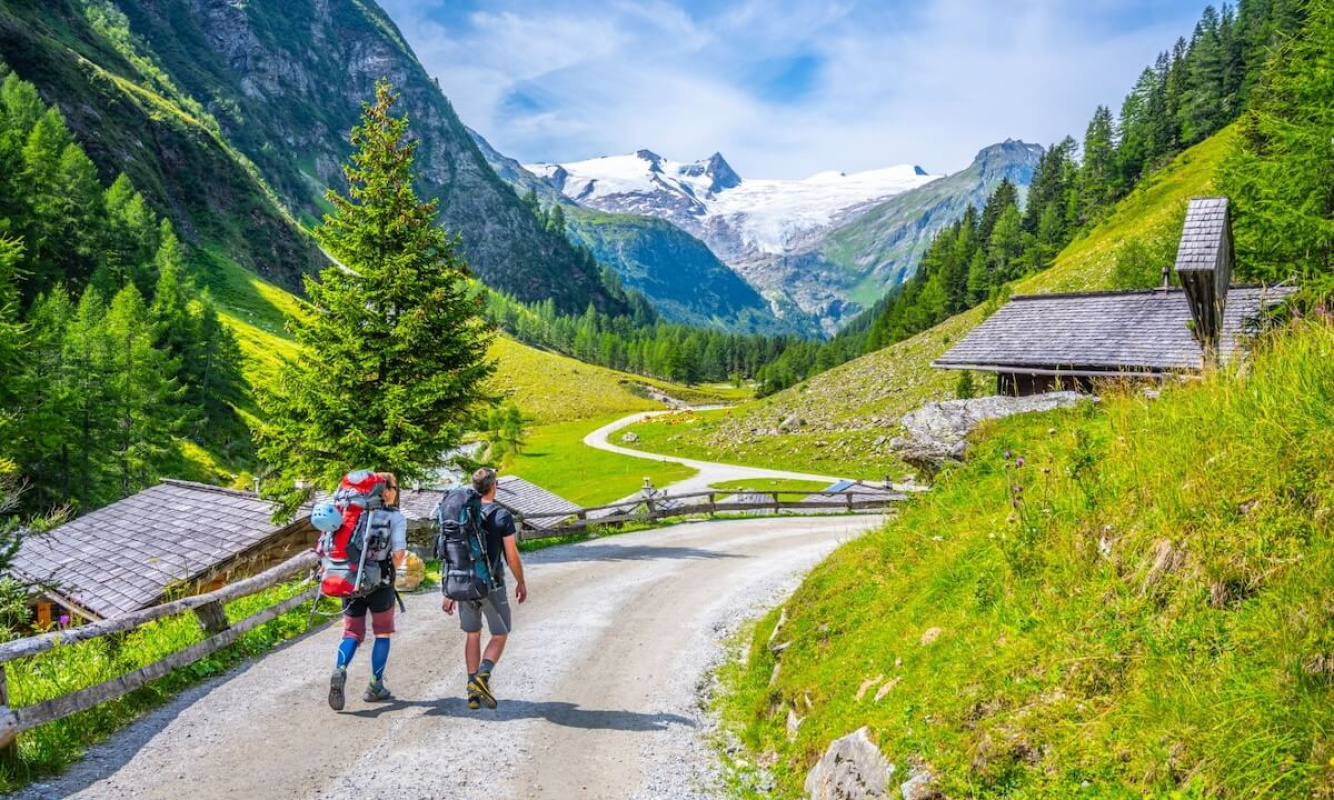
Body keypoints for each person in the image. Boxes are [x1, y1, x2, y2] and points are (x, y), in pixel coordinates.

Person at [442, 467, 527, 710]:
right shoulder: (501, 516)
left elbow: (449, 554)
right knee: (500, 634)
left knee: (473, 634)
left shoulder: (462, 514)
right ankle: (482, 676)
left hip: (462, 583)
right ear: (494, 486)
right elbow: (511, 556)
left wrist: (448, 591)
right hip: (491, 584)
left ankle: (472, 692)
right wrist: (520, 581)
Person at [328, 473, 408, 710]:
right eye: (394, 487)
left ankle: (340, 669)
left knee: (351, 632)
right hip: (380, 582)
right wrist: (387, 571)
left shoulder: (351, 513)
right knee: (382, 634)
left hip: (350, 577)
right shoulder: (395, 517)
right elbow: (399, 553)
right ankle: (375, 685)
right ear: (386, 490)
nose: (396, 491)